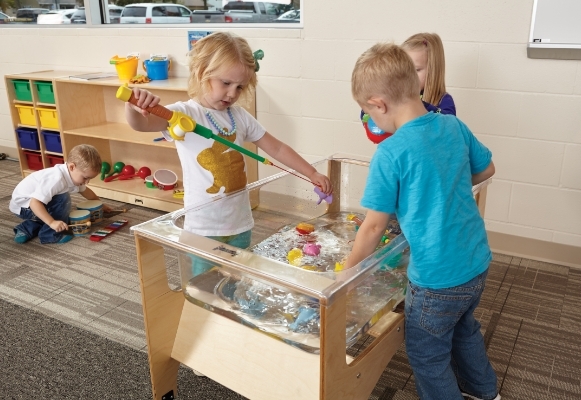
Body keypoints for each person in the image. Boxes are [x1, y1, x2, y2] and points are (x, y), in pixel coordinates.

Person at [346, 42, 499, 400]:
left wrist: (348, 273)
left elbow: (372, 227)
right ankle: (486, 392)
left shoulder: (391, 152)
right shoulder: (453, 125)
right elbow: (487, 168)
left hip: (436, 280)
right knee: (464, 330)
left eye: (370, 116)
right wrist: (447, 189)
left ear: (377, 105)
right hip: (477, 262)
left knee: (427, 354)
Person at [124, 32, 332, 269]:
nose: (233, 93)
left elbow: (277, 147)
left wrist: (311, 173)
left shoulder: (240, 117)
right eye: (226, 83)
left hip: (240, 223)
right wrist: (133, 106)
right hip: (203, 228)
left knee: (235, 282)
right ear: (202, 73)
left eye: (240, 87)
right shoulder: (184, 113)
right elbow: (142, 124)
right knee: (203, 288)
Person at [360, 32, 455, 144]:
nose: (408, 76)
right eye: (403, 70)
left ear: (433, 72)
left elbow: (449, 130)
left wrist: (416, 104)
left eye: (416, 70)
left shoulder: (444, 101)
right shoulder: (393, 94)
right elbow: (368, 118)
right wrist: (372, 109)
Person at [10, 144, 111, 244]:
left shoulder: (71, 174)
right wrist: (52, 222)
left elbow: (85, 191)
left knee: (57, 212)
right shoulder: (56, 179)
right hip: (24, 206)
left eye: (90, 179)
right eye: (85, 178)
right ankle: (50, 235)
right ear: (72, 167)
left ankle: (25, 229)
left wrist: (100, 205)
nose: (87, 182)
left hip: (32, 204)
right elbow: (34, 203)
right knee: (63, 199)